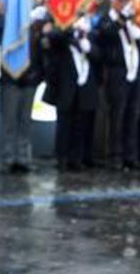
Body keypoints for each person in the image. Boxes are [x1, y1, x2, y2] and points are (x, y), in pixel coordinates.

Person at [42, 14, 102, 171]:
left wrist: (85, 42)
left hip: (85, 86)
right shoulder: (62, 36)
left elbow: (98, 56)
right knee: (64, 125)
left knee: (81, 125)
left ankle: (77, 158)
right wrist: (71, 29)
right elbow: (54, 38)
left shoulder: (91, 36)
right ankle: (61, 158)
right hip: (66, 87)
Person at [96, 0, 140, 171]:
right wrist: (122, 20)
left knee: (133, 115)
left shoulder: (132, 21)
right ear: (113, 1)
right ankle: (114, 155)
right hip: (117, 73)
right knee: (117, 115)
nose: (124, 3)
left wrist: (134, 25)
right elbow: (105, 35)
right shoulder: (106, 20)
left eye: (126, 0)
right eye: (120, 0)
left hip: (135, 72)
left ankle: (130, 156)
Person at [0, 5, 46, 173]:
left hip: (29, 81)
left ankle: (24, 159)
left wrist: (37, 77)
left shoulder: (34, 30)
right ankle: (8, 159)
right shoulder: (8, 26)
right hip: (11, 80)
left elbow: (39, 56)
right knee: (9, 122)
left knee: (25, 122)